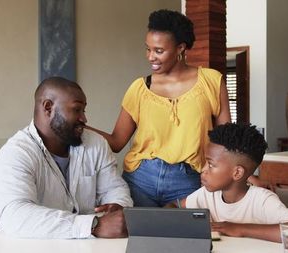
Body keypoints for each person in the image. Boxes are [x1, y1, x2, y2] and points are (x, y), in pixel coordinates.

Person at [88, 9, 231, 207]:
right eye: (148, 49)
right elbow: (117, 141)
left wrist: (242, 177)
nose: (150, 57)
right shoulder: (139, 88)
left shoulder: (212, 81)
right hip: (140, 180)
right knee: (138, 237)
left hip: (190, 180)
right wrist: (79, 125)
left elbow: (226, 141)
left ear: (180, 48)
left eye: (159, 51)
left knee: (186, 237)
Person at [0, 77, 133, 239]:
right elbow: (15, 215)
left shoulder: (96, 144)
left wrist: (118, 206)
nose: (84, 119)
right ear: (48, 107)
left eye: (84, 111)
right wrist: (93, 225)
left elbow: (115, 188)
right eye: (76, 110)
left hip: (88, 247)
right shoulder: (16, 152)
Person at [175, 123, 288, 242]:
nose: (203, 169)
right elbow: (174, 207)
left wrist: (238, 228)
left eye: (211, 165)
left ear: (237, 173)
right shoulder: (206, 195)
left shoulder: (261, 199)